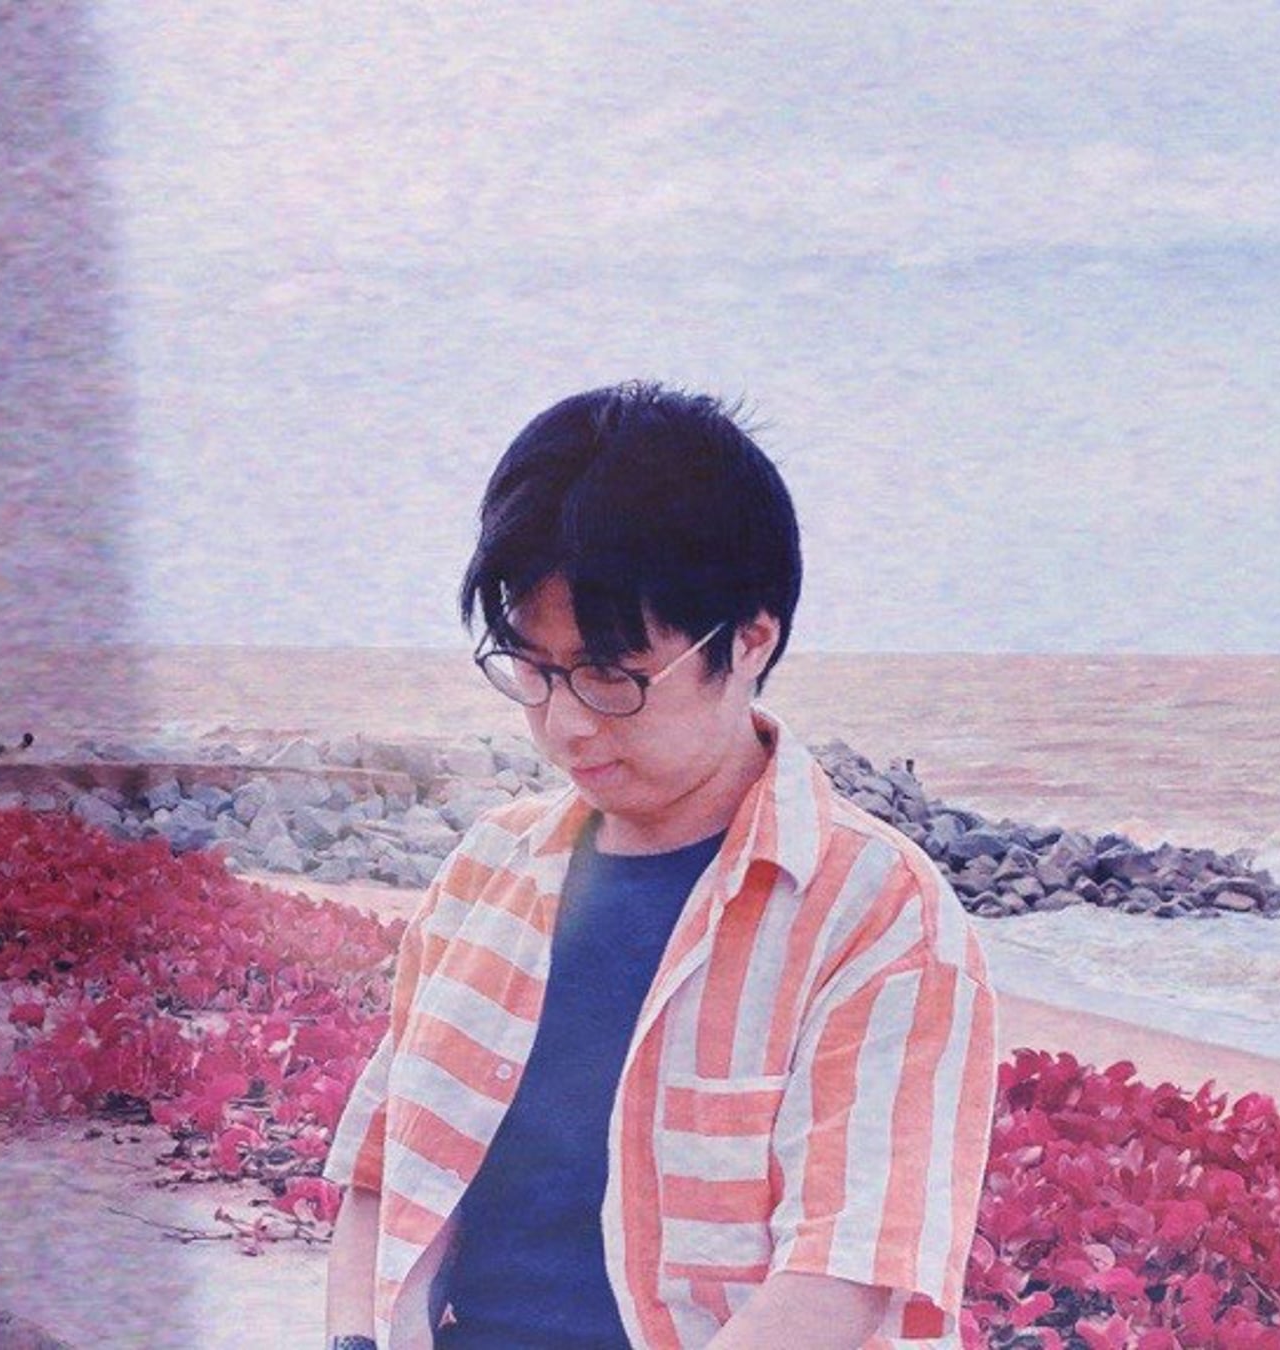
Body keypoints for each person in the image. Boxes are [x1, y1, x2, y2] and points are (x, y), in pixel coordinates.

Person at [322, 383, 999, 1350]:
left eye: (611, 676)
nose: (564, 724)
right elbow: (385, 1178)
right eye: (532, 669)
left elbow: (841, 1281)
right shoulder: (487, 874)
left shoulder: (881, 916)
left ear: (750, 639)